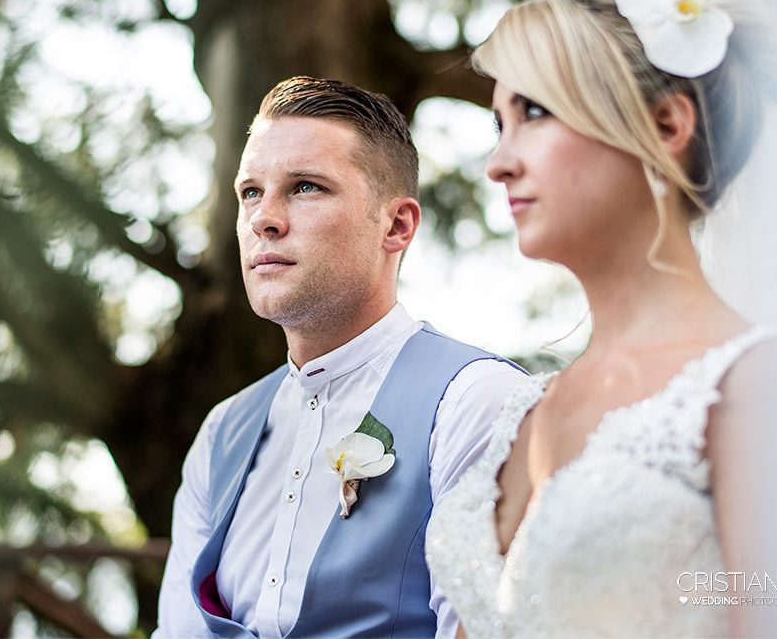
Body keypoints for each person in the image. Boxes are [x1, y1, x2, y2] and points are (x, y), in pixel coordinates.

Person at [426, 0, 777, 637]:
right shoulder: (523, 409)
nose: (497, 164)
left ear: (665, 127)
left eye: (534, 112)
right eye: (498, 124)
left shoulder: (759, 386)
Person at [155, 76, 528, 638]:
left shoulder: (476, 402)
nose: (263, 219)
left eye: (305, 187)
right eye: (250, 192)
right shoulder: (220, 433)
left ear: (396, 225)